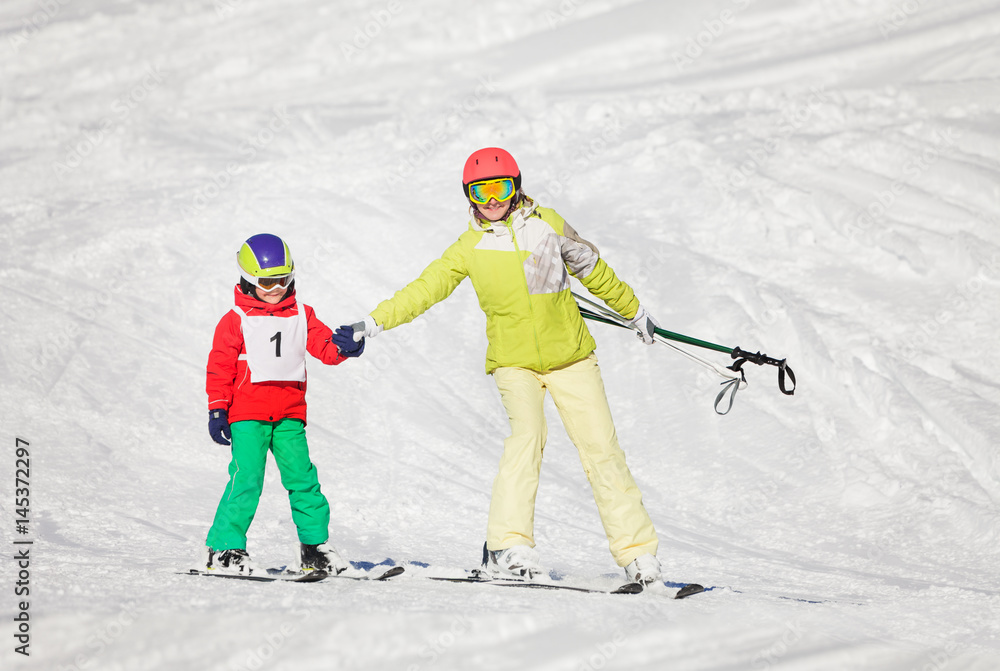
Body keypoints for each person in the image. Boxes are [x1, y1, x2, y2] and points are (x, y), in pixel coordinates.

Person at [347, 147, 665, 585]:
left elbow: (594, 270)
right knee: (527, 439)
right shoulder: (469, 247)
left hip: (572, 357)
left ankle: (637, 555)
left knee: (603, 451)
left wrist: (634, 311)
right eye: (481, 190)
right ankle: (506, 546)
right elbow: (424, 289)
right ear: (469, 196)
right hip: (514, 364)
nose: (492, 199)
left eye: (501, 187)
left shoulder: (548, 225)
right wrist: (373, 323)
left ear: (516, 187)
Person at [204, 233, 364, 575]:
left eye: (283, 280)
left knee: (304, 479)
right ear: (248, 281)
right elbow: (219, 366)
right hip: (247, 415)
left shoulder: (302, 315)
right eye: (267, 282)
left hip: (290, 415)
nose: (276, 288)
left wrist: (345, 346)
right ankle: (224, 548)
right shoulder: (235, 319)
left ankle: (314, 547)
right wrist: (218, 408)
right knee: (246, 478)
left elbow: (325, 347)